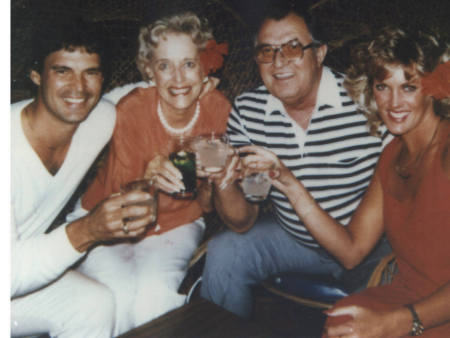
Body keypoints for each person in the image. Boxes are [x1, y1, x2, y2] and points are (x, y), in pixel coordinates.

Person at [200, 2, 393, 319]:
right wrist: (221, 179)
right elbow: (244, 218)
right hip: (295, 238)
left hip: (369, 246)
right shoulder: (250, 111)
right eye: (266, 51)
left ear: (319, 53)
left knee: (380, 312)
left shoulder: (367, 102)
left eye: (292, 48)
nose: (278, 63)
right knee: (225, 250)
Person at [78, 12, 231, 335]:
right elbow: (120, 202)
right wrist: (151, 173)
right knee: (112, 296)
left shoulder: (220, 110)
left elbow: (207, 203)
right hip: (112, 218)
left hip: (177, 224)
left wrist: (213, 180)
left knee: (155, 299)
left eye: (189, 64)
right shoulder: (132, 109)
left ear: (206, 66)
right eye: (164, 65)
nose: (178, 78)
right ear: (149, 70)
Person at [11, 20, 156, 337]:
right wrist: (88, 230)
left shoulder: (98, 118)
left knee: (94, 304)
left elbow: (130, 96)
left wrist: (193, 84)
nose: (79, 88)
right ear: (36, 75)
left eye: (90, 72)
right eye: (63, 71)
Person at [318, 27, 450, 337]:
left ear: (435, 88)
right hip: (409, 295)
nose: (393, 102)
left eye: (409, 87)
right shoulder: (392, 154)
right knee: (340, 323)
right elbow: (352, 251)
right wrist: (288, 183)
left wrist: (396, 323)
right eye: (382, 86)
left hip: (438, 309)